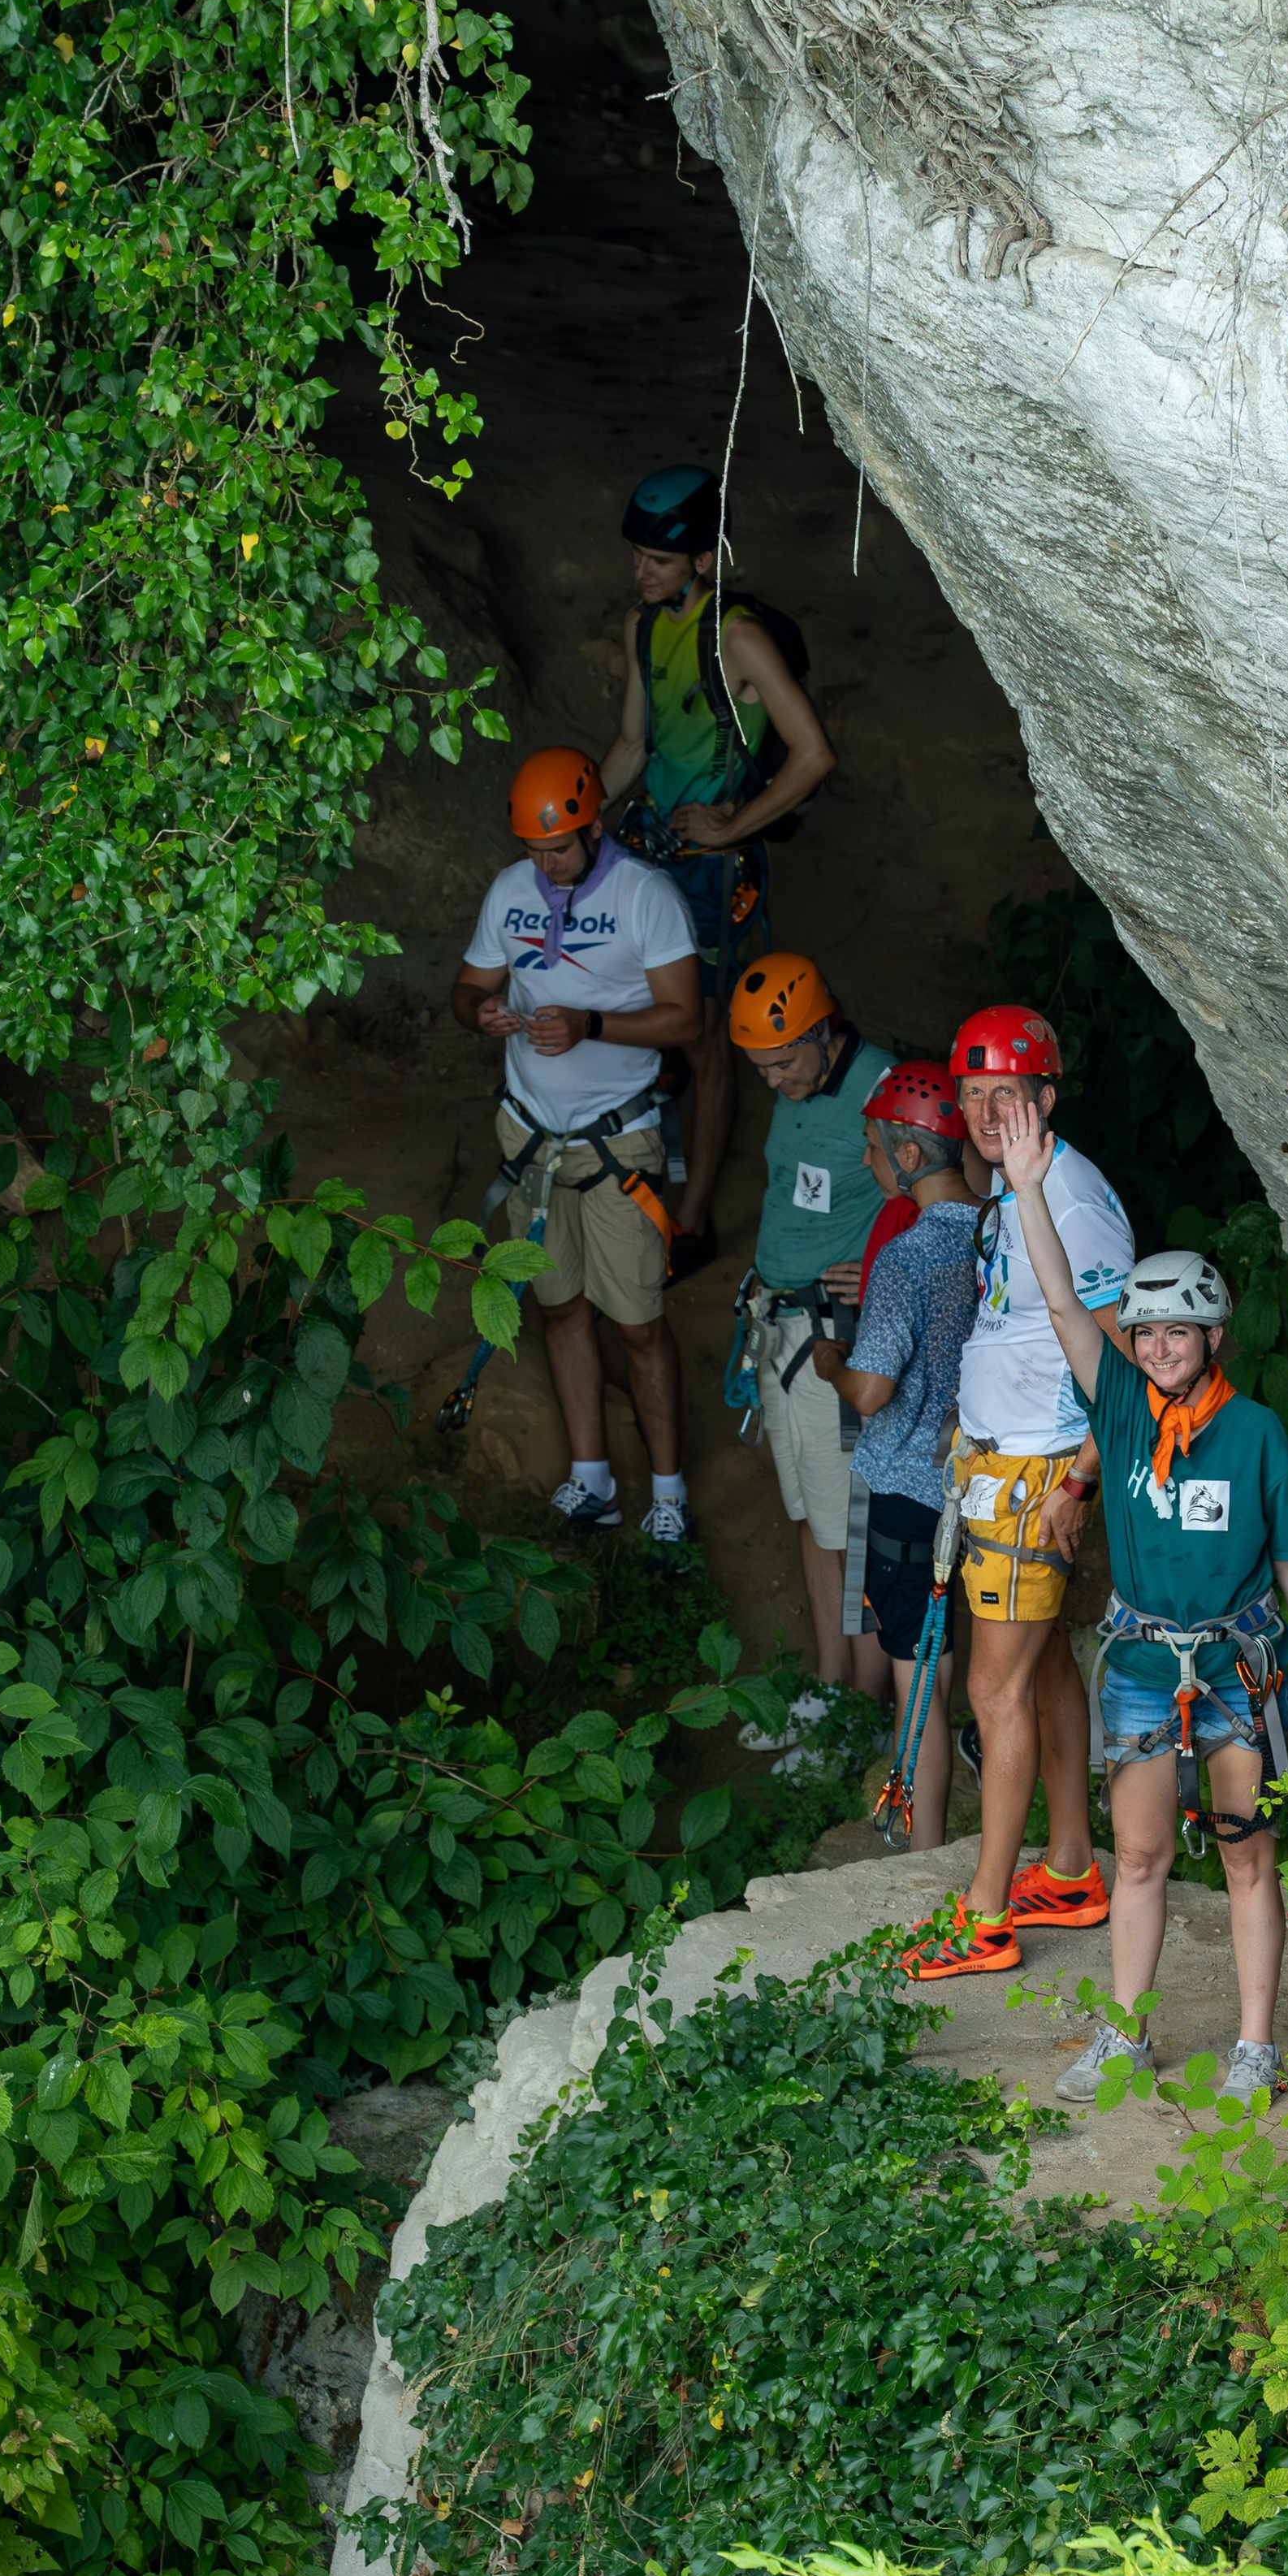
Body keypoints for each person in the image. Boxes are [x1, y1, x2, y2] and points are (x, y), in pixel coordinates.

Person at [998, 1096, 1288, 2104]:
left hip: (1237, 1663)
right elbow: (1063, 1305)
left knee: (1245, 1857)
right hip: (1147, 1662)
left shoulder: (1255, 1434)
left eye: (1176, 1332)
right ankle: (1125, 2034)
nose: (1157, 1347)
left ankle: (1253, 2047)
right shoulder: (1118, 1409)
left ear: (1213, 1335)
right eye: (1145, 1332)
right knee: (1139, 1854)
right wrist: (1026, 1187)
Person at [904, 1005, 1131, 1984]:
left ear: (1047, 1096)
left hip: (1038, 1478)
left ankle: (987, 1915)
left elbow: (1121, 1356)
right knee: (1037, 1675)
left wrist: (1081, 1476)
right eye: (973, 1094)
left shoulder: (1069, 1198)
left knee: (991, 1689)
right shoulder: (1015, 1185)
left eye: (1010, 1092)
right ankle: (1073, 1868)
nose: (990, 1111)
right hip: (1006, 1469)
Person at [452, 747, 703, 1543]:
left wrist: (591, 1023)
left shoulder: (645, 897)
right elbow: (467, 988)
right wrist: (482, 1013)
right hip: (530, 1133)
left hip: (615, 1142)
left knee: (637, 1325)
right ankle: (590, 1480)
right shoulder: (510, 891)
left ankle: (668, 1493)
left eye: (557, 848)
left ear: (593, 827)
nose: (545, 863)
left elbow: (686, 1019)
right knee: (558, 1311)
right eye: (533, 848)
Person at [598, 469, 836, 1275]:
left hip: (709, 872)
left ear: (703, 557)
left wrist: (734, 823)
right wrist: (570, 824)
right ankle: (649, 1119)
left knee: (703, 1042)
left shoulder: (737, 638)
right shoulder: (641, 625)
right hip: (651, 852)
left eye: (658, 560)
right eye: (636, 556)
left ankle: (690, 1219)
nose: (641, 574)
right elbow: (634, 745)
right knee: (644, 1005)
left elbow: (812, 755)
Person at [810, 1063, 979, 1849]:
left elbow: (872, 1391)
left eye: (873, 1150)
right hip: (975, 1482)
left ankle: (924, 1853)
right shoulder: (995, 1233)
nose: (869, 1163)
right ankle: (931, 1838)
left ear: (908, 1157)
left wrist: (829, 1364)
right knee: (940, 1659)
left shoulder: (907, 1258)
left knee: (917, 1682)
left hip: (907, 1490)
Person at [729, 950, 896, 1691]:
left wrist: (883, 1265)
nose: (771, 1082)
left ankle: (859, 1697)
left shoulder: (882, 1089)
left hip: (831, 1332)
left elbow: (950, 1195)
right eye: (759, 1067)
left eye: (779, 1064)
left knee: (849, 1523)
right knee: (811, 1513)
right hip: (779, 1324)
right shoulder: (797, 1081)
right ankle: (832, 1682)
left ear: (820, 1032)